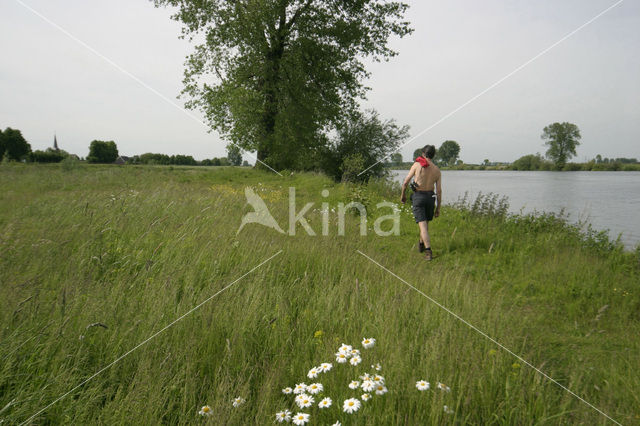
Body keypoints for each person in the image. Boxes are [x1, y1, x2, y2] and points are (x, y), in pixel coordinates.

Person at [400, 145, 442, 260]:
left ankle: (428, 251)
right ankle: (421, 244)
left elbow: (405, 183)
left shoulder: (417, 165)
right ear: (433, 155)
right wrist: (438, 207)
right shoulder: (437, 170)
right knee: (425, 224)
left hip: (418, 196)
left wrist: (403, 195)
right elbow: (438, 191)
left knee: (423, 226)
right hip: (430, 197)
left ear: (423, 153)